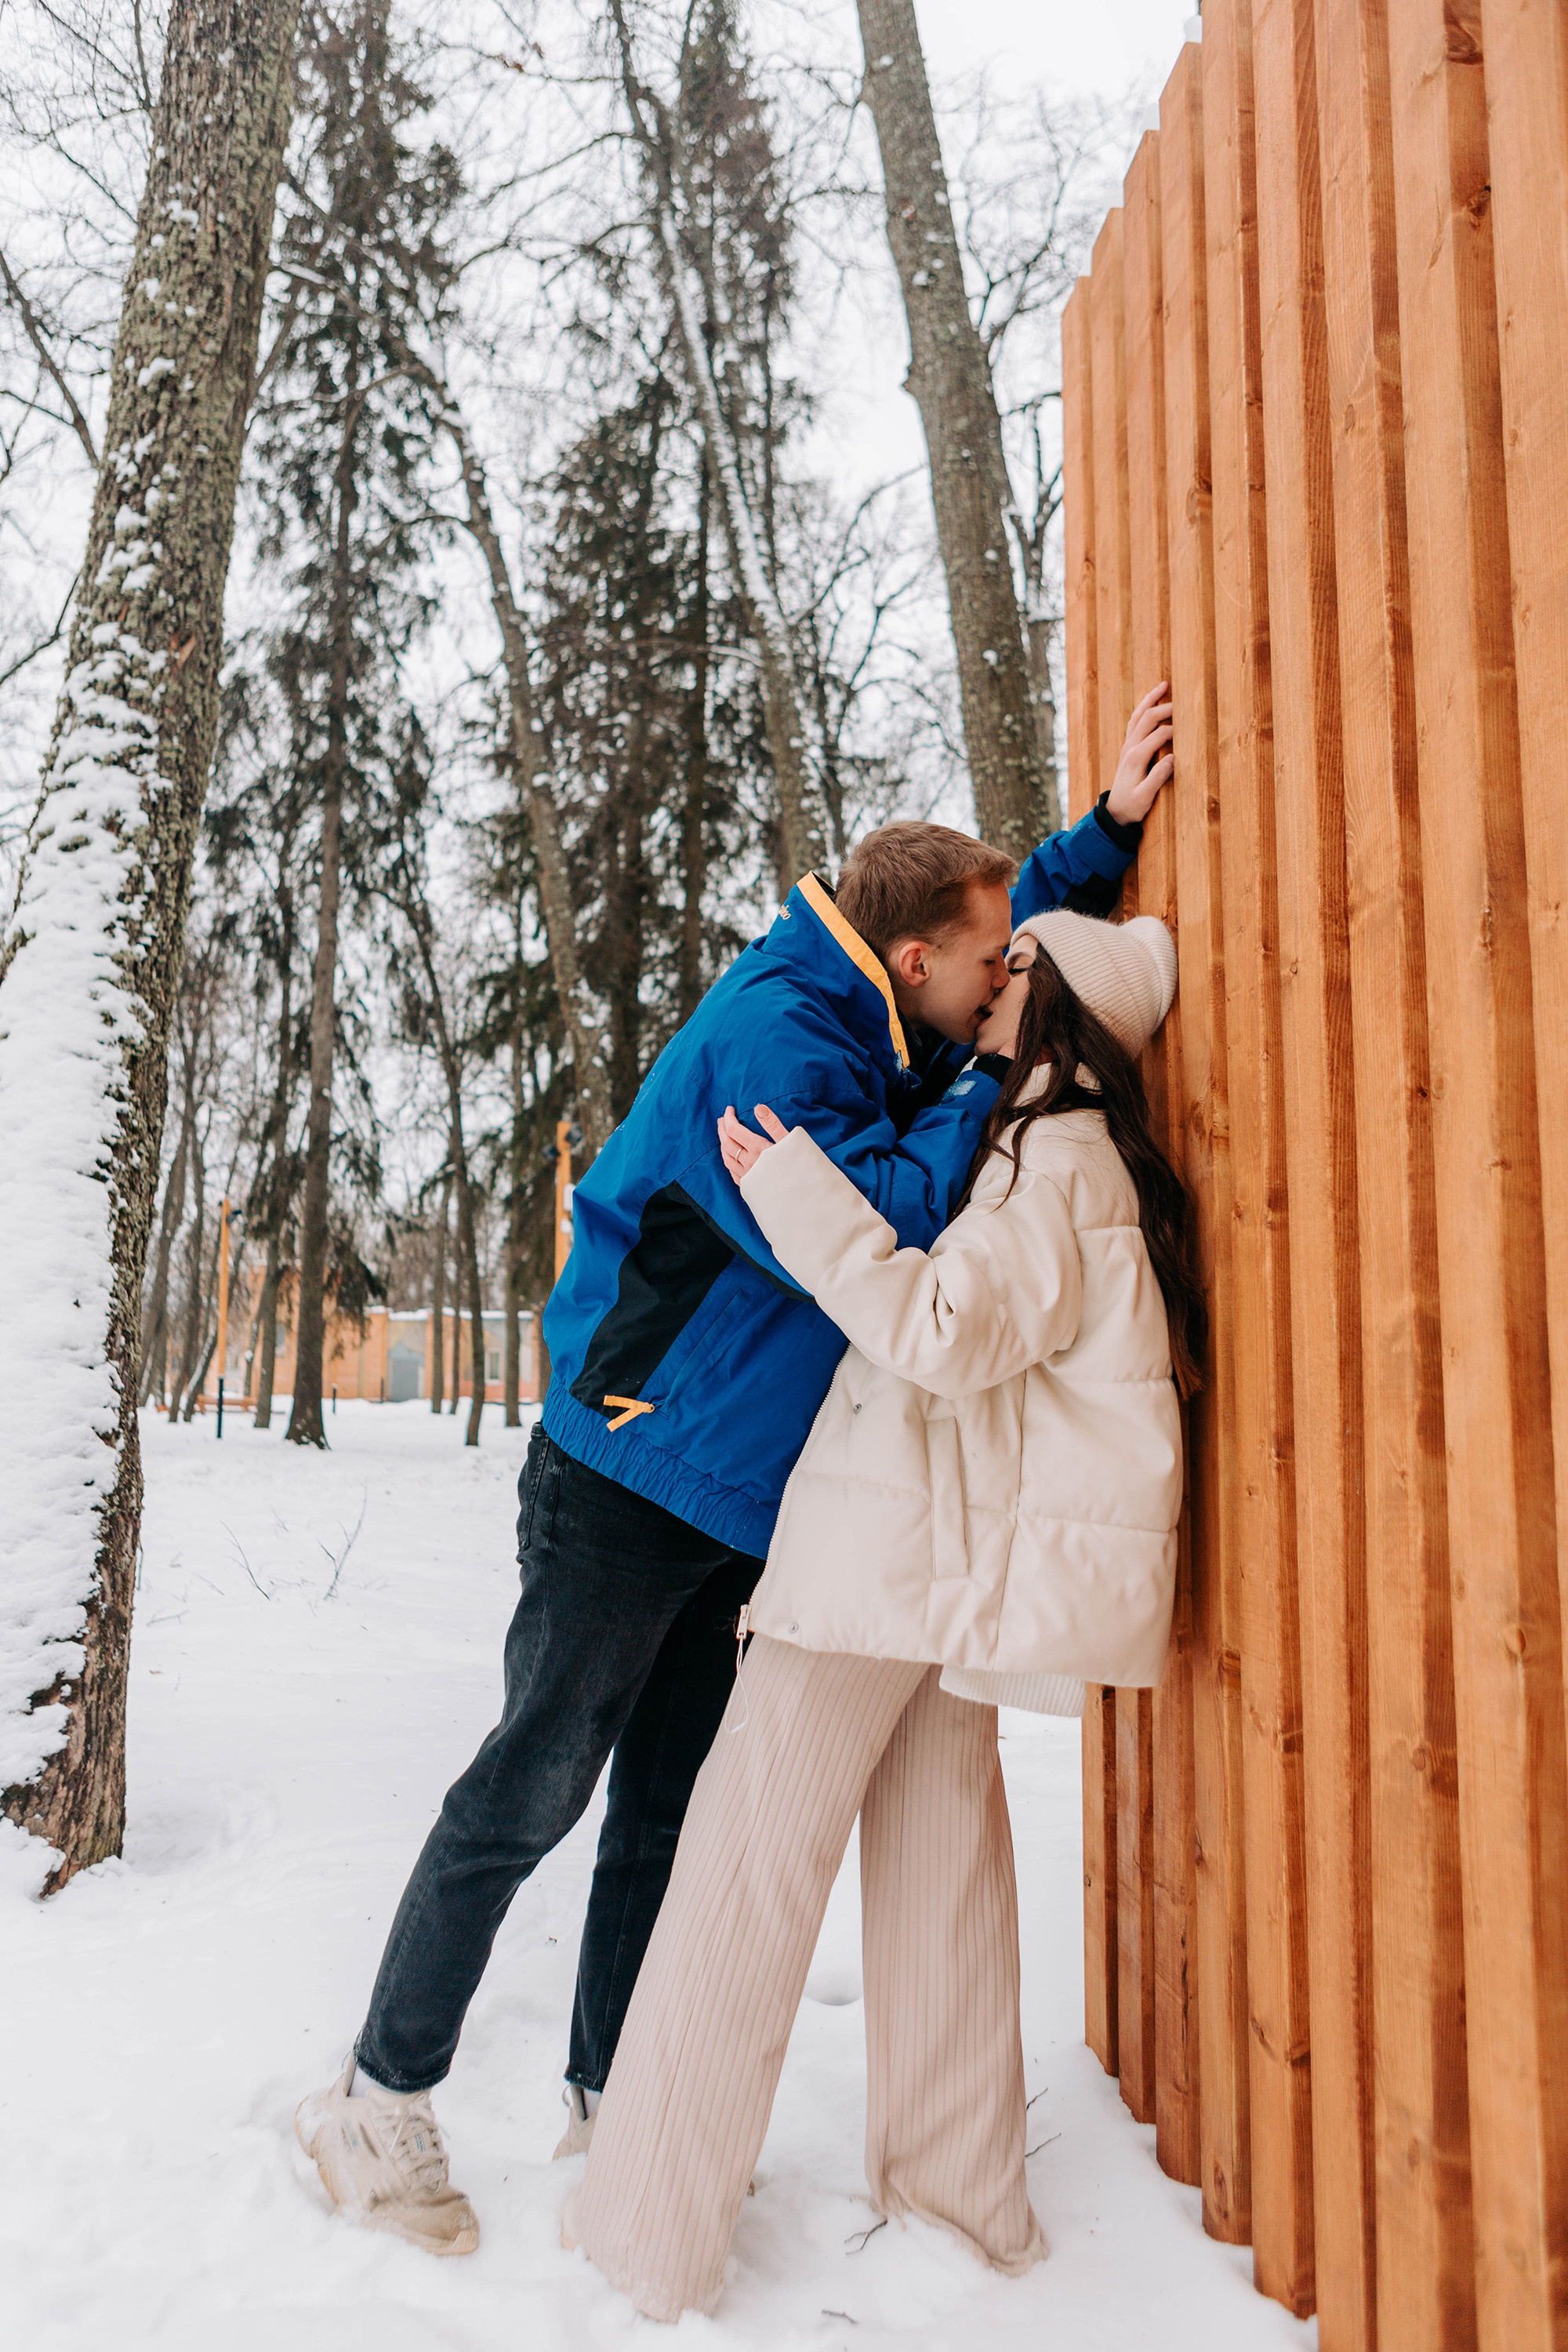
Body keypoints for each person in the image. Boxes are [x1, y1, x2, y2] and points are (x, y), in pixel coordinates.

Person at [294, 686, 1176, 2257]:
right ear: (917, 961)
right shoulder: (777, 1037)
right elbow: (880, 1214)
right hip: (630, 1472)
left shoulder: (888, 995)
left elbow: (1003, 937)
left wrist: (1100, 835)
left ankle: (615, 2095)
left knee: (662, 1812)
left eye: (1009, 975)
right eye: (989, 968)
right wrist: (1002, 1070)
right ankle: (378, 2096)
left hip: (739, 1497)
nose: (1004, 986)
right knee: (535, 1784)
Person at [561, 907, 1204, 2321]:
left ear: (1058, 1006)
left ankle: (643, 2237)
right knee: (939, 1878)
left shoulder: (1053, 1162)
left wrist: (802, 1194)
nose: (992, 978)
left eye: (1017, 966)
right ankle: (957, 2205)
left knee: (742, 1872)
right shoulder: (1052, 1145)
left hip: (881, 1563)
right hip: (931, 1566)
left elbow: (937, 1332)